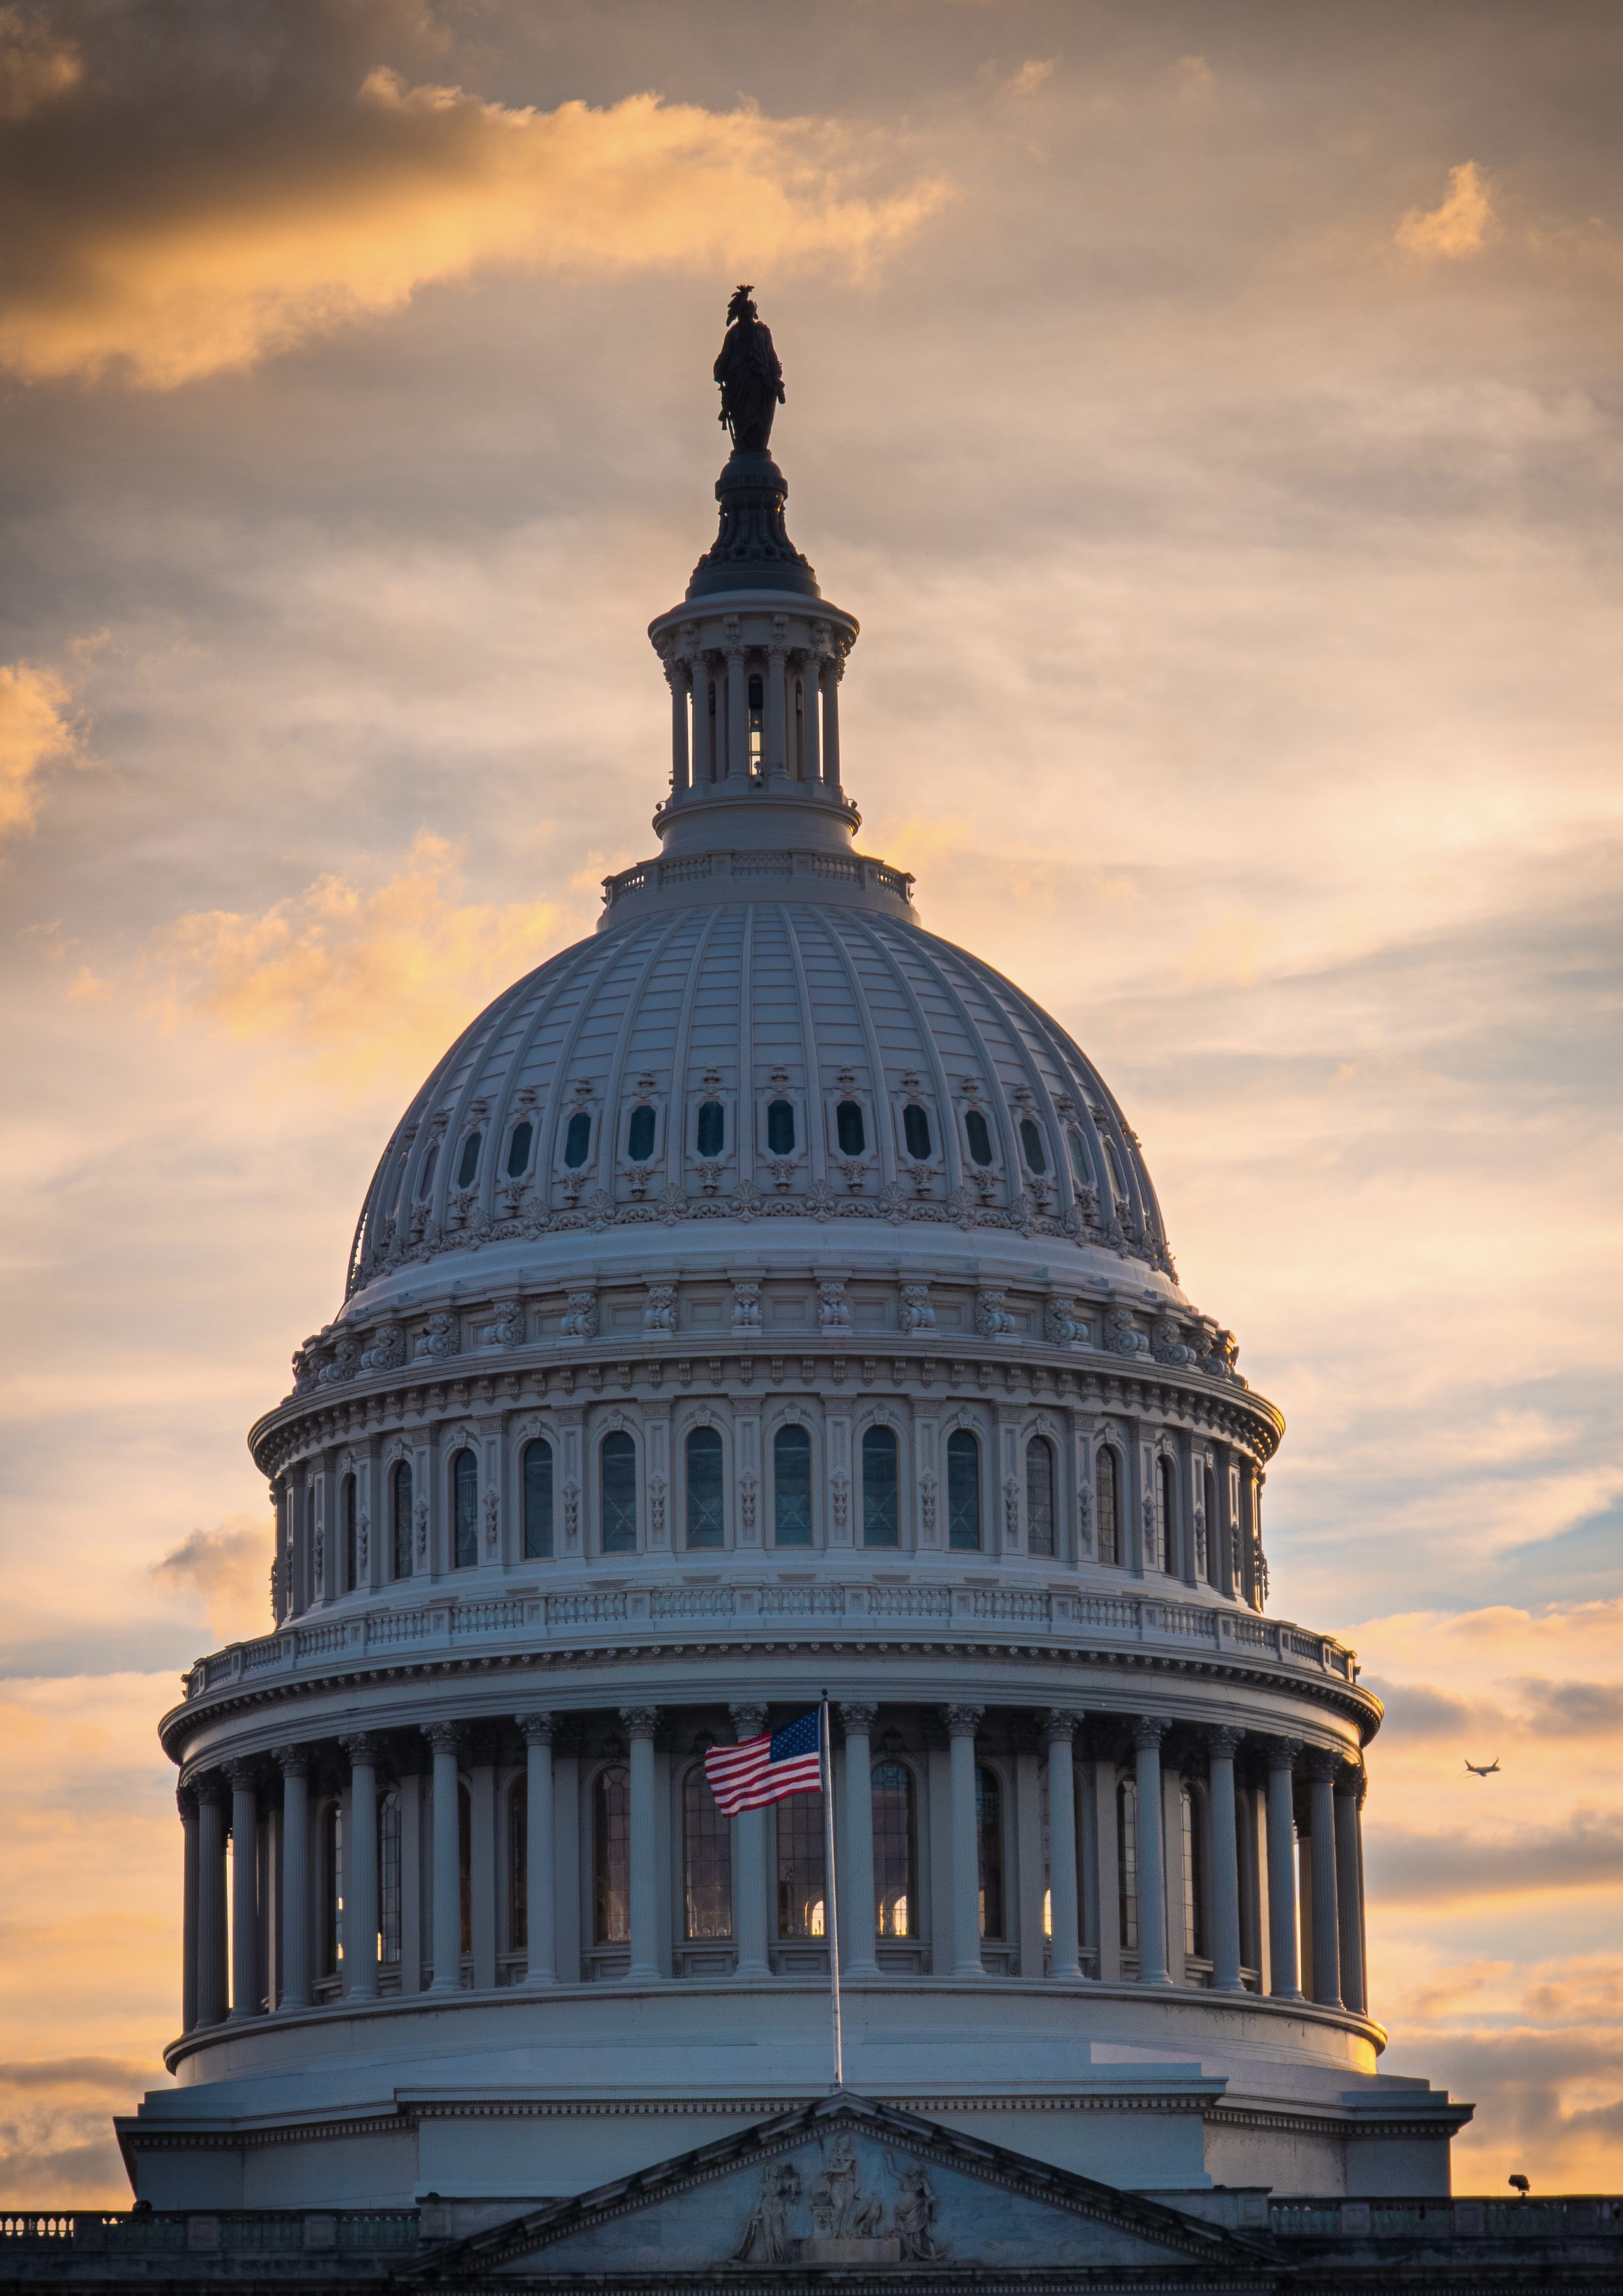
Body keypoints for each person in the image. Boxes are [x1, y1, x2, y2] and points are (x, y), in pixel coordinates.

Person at [714, 284, 785, 452]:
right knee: (741, 413)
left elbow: (770, 354)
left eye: (750, 311)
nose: (747, 315)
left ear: (754, 313)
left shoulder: (762, 332)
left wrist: (776, 376)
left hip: (760, 378)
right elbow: (725, 355)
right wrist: (719, 369)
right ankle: (743, 445)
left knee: (759, 412)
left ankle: (758, 445)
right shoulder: (734, 333)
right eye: (743, 312)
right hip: (738, 379)